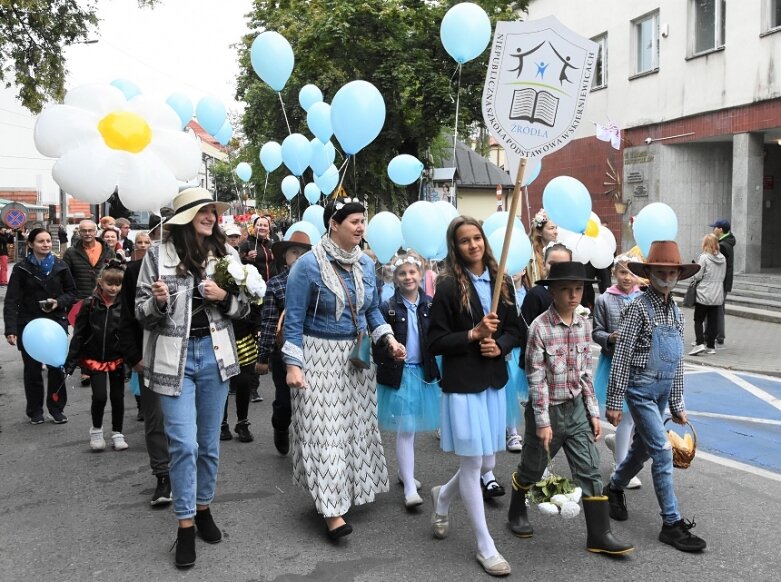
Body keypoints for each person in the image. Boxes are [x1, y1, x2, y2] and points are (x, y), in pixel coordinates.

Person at [135, 188, 250, 568]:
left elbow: (245, 308)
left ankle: (204, 509)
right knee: (183, 444)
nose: (211, 216)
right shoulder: (157, 256)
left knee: (209, 444)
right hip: (174, 360)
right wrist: (160, 302)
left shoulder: (228, 256)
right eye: (204, 211)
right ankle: (185, 525)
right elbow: (141, 313)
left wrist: (222, 297)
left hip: (215, 357)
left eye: (213, 211)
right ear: (185, 216)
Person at [282, 197, 406, 540]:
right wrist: (293, 364)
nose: (361, 227)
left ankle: (344, 493)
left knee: (352, 429)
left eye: (362, 221)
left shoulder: (366, 265)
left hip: (357, 357)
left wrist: (389, 340)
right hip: (317, 356)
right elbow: (292, 320)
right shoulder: (306, 267)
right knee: (325, 432)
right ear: (333, 224)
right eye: (353, 221)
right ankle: (333, 512)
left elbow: (372, 311)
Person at [506, 261, 634, 557]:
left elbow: (585, 373)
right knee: (533, 468)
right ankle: (516, 512)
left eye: (578, 289)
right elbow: (535, 378)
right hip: (547, 411)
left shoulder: (583, 324)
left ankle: (600, 535)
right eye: (566, 290)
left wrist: (593, 412)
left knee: (590, 469)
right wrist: (541, 421)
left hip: (575, 408)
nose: (573, 295)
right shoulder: (539, 327)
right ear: (553, 292)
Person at [428, 216, 520, 577]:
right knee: (472, 464)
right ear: (456, 247)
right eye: (464, 240)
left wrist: (499, 345)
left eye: (477, 238)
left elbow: (515, 329)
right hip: (464, 386)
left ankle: (444, 496)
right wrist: (472, 334)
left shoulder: (503, 280)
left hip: (493, 383)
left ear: (484, 240)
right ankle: (485, 545)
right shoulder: (449, 286)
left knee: (485, 463)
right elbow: (436, 341)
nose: (473, 245)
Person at [604, 241, 707, 553]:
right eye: (660, 272)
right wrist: (613, 401)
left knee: (642, 451)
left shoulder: (676, 311)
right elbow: (621, 355)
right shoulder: (637, 309)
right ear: (648, 273)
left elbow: (677, 361)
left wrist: (677, 403)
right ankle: (671, 523)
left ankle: (614, 487)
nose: (667, 277)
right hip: (640, 391)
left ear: (678, 274)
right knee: (662, 452)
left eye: (672, 272)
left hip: (662, 394)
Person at [480, 242, 572, 498]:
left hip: (564, 370)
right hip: (538, 364)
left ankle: (539, 465)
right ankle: (524, 467)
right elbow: (523, 330)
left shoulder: (573, 293)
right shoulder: (537, 295)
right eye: (552, 264)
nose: (557, 269)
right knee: (537, 417)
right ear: (544, 265)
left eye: (563, 264)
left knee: (558, 420)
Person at [376, 252, 441, 509]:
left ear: (421, 273)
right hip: (399, 375)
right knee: (406, 429)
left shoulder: (431, 305)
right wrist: (390, 349)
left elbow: (436, 338)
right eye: (402, 273)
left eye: (412, 272)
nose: (408, 277)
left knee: (412, 429)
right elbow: (378, 343)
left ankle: (405, 474)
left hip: (422, 374)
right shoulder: (388, 307)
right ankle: (410, 488)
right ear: (395, 278)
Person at [118, 217, 172, 506]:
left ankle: (188, 472)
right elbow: (125, 316)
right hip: (150, 355)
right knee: (156, 419)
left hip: (188, 358)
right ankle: (163, 477)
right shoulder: (135, 270)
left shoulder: (196, 264)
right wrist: (133, 356)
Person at [4, 228, 76, 424]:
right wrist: (10, 329)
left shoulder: (60, 266)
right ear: (30, 245)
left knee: (56, 368)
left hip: (55, 324)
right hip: (28, 326)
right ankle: (35, 411)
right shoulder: (21, 269)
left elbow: (71, 292)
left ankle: (57, 408)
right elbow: (11, 300)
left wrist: (58, 302)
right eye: (40, 241)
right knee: (32, 370)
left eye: (48, 241)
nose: (45, 244)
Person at [257, 230, 312, 456]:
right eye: (294, 252)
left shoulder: (318, 280)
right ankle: (280, 427)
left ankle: (310, 447)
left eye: (304, 253)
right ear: (285, 256)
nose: (298, 257)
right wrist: (263, 358)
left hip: (314, 348)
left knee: (310, 401)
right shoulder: (276, 284)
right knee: (284, 401)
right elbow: (269, 322)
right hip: (284, 351)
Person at [65, 260, 128, 451]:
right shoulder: (88, 304)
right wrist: (71, 361)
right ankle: (97, 430)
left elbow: (129, 333)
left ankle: (117, 432)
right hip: (94, 359)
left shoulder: (125, 305)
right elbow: (79, 334)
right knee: (99, 396)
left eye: (118, 284)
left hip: (117, 358)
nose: (114, 288)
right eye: (110, 284)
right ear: (100, 282)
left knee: (118, 397)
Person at [592, 255, 643, 489]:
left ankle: (617, 445)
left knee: (634, 418)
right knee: (624, 416)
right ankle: (621, 467)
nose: (627, 277)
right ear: (614, 273)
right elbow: (596, 331)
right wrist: (610, 338)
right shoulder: (604, 299)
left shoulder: (643, 297)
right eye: (622, 272)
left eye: (631, 273)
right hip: (614, 364)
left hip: (639, 365)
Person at [220, 224, 263, 442]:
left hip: (244, 334)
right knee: (223, 382)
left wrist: (256, 328)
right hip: (221, 335)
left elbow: (256, 302)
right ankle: (222, 423)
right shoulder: (216, 277)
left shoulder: (247, 273)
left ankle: (242, 423)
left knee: (245, 380)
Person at [688, 234, 726, 356]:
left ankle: (699, 344)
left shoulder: (704, 258)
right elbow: (723, 276)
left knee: (698, 319)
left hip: (704, 292)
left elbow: (698, 275)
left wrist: (693, 276)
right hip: (717, 293)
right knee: (713, 320)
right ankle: (711, 346)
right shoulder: (723, 258)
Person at [709, 219, 735, 345]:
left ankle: (717, 336)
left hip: (720, 283)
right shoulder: (727, 242)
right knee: (719, 309)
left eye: (714, 227)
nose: (713, 229)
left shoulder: (723, 245)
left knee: (717, 309)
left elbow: (718, 266)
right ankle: (719, 336)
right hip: (723, 282)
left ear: (720, 229)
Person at [527, 208, 558, 285]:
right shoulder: (531, 256)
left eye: (556, 228)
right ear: (540, 232)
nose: (556, 232)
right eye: (551, 228)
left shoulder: (557, 251)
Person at [240, 215, 275, 282]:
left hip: (272, 285)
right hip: (255, 285)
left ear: (269, 229)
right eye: (259, 225)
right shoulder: (246, 244)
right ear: (254, 227)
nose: (262, 227)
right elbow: (239, 265)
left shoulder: (272, 245)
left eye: (265, 226)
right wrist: (248, 259)